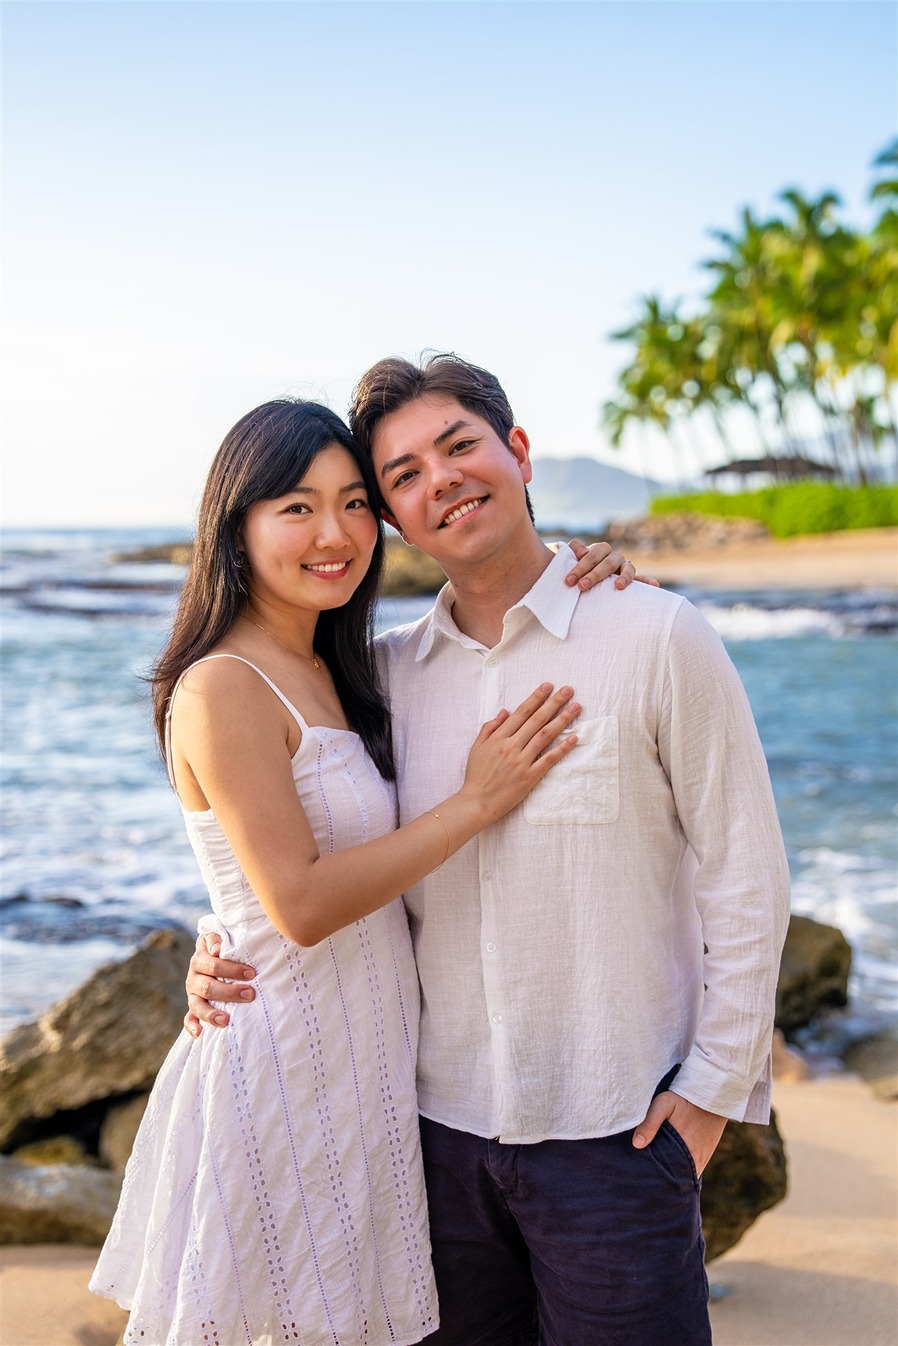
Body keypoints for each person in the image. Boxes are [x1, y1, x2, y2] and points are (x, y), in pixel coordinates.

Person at [187, 353, 791, 1345]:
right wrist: (219, 942)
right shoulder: (379, 678)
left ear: (515, 452)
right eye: (404, 475)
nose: (441, 480)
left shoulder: (654, 632)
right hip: (427, 1143)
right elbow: (305, 832)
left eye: (458, 446)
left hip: (616, 1131)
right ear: (392, 517)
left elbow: (745, 871)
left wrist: (712, 1096)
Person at [90, 396, 632, 1346]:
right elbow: (294, 904)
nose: (334, 534)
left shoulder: (350, 672)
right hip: (287, 1066)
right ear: (236, 525)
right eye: (296, 508)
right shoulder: (222, 684)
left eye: (353, 504)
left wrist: (593, 571)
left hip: (370, 1068)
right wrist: (475, 801)